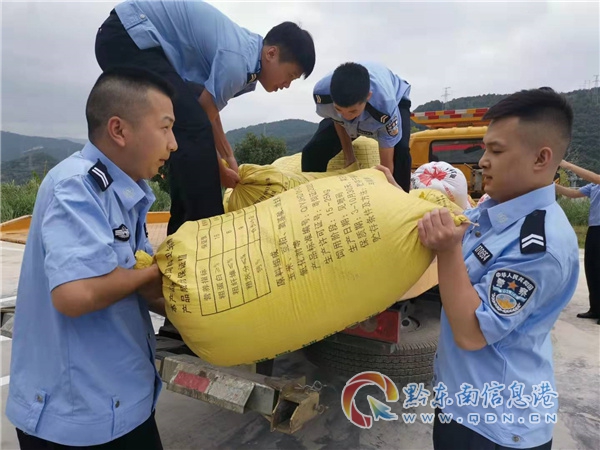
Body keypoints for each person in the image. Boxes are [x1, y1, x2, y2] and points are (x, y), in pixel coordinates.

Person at [378, 87, 579, 449]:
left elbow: (472, 333)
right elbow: (448, 223)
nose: (483, 161)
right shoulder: (496, 213)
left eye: (496, 151)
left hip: (494, 425)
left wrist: (448, 250)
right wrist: (397, 201)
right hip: (462, 403)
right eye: (484, 149)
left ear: (541, 158)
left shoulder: (538, 246)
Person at [6, 67, 176, 449]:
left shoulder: (126, 193)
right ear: (119, 130)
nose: (173, 143)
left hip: (122, 403)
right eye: (165, 128)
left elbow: (136, 281)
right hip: (77, 419)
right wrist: (151, 275)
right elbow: (76, 294)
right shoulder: (77, 187)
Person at [95, 0, 316, 235]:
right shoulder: (237, 61)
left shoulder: (247, 57)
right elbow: (200, 120)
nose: (287, 85)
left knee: (188, 122)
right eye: (290, 75)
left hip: (133, 38)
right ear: (271, 53)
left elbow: (208, 113)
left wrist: (230, 160)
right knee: (190, 126)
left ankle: (186, 231)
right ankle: (203, 232)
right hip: (128, 36)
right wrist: (220, 172)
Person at [301, 61, 412, 191]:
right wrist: (350, 158)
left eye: (353, 111)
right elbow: (338, 120)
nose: (347, 117)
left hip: (396, 98)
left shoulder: (385, 108)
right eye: (339, 109)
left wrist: (386, 188)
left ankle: (402, 196)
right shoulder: (322, 95)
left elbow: (387, 164)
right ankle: (314, 193)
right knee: (313, 151)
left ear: (368, 97)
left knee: (401, 153)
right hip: (348, 103)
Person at [555, 162, 600, 323]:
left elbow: (596, 177)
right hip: (594, 229)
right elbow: (573, 193)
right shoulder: (594, 186)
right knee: (592, 268)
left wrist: (567, 165)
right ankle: (595, 308)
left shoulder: (596, 180)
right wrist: (549, 185)